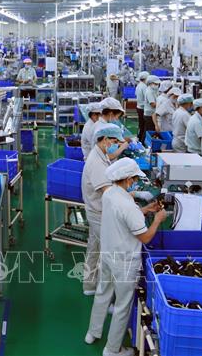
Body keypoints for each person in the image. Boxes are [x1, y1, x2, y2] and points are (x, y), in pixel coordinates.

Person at [85, 158, 167, 356]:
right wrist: (157, 220)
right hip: (124, 262)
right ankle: (113, 350)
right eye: (135, 179)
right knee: (122, 306)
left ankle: (92, 333)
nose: (136, 182)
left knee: (102, 294)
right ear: (128, 179)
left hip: (108, 255)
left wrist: (145, 210)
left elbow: (122, 216)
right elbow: (145, 237)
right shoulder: (128, 206)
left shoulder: (110, 193)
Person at [81, 123, 124, 295]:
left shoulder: (100, 154)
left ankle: (89, 285)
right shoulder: (96, 162)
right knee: (109, 254)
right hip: (99, 212)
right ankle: (106, 295)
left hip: (95, 209)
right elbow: (109, 193)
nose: (116, 145)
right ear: (105, 139)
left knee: (94, 248)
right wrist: (131, 195)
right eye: (115, 141)